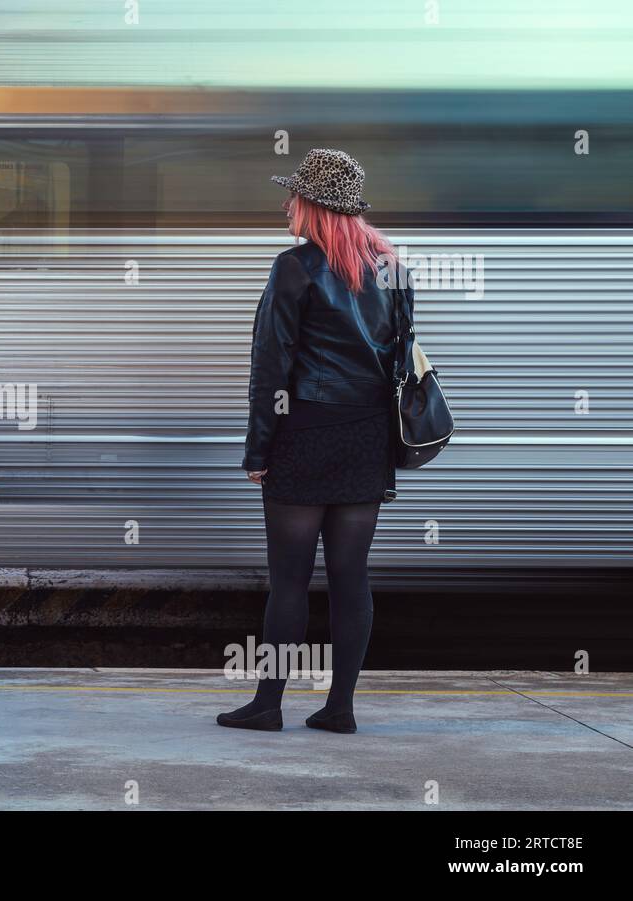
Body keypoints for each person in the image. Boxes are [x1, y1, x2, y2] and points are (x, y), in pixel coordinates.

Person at [218, 148, 411, 734]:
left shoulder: (293, 266)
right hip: (365, 437)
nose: (286, 205)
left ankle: (268, 703)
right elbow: (401, 357)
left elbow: (269, 366)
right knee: (352, 577)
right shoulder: (392, 267)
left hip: (303, 435)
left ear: (314, 207)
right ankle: (340, 707)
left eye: (293, 196)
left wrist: (258, 450)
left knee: (290, 581)